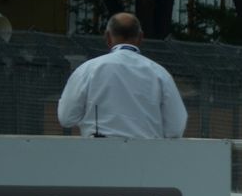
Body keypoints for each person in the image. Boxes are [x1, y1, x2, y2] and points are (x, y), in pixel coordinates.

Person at [57, 12, 187, 140]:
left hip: (98, 154)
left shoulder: (88, 69)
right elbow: (175, 129)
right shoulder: (160, 73)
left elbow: (66, 118)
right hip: (146, 155)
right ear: (141, 37)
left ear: (107, 37)